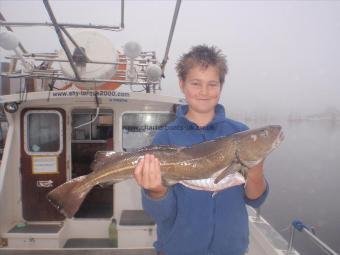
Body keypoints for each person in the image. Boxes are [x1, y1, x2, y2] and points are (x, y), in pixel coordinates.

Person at [134, 45, 268, 255]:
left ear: (221, 87)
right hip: (178, 249)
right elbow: (160, 214)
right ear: (182, 84)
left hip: (231, 249)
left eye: (212, 84)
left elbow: (255, 198)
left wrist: (256, 168)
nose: (204, 92)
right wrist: (156, 190)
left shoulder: (240, 133)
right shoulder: (166, 137)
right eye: (196, 83)